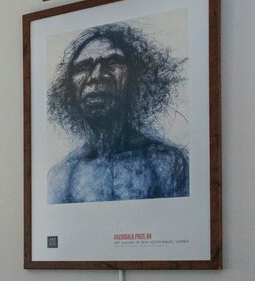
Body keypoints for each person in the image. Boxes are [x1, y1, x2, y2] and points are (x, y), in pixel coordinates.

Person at [46, 23, 189, 204]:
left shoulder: (166, 163)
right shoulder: (62, 175)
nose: (96, 75)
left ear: (136, 77)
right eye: (83, 66)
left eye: (112, 62)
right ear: (69, 87)